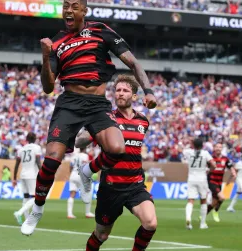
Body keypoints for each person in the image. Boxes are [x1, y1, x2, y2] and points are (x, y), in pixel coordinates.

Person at [21, 0, 157, 236]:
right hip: (70, 104)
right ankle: (37, 208)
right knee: (52, 159)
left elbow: (133, 62)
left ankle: (86, 172)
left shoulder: (100, 30)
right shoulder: (57, 42)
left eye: (74, 6)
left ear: (84, 10)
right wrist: (45, 57)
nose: (68, 10)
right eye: (65, 6)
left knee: (117, 148)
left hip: (97, 104)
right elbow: (47, 87)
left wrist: (149, 91)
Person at [74, 75, 156, 251]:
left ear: (134, 96)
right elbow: (79, 142)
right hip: (110, 187)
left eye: (125, 90)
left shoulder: (143, 121)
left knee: (150, 223)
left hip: (135, 184)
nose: (120, 93)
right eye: (118, 90)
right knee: (101, 235)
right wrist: (91, 131)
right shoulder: (107, 118)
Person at [183, 138, 216, 230]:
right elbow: (214, 165)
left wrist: (190, 142)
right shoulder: (205, 153)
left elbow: (183, 150)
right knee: (203, 200)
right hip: (202, 178)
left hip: (191, 179)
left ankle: (188, 220)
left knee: (190, 200)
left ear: (193, 145)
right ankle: (202, 224)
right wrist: (209, 171)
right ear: (202, 145)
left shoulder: (188, 152)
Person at [13, 133, 42, 225]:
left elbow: (17, 164)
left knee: (26, 197)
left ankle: (26, 220)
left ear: (26, 139)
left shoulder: (21, 149)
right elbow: (38, 162)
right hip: (32, 175)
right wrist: (43, 173)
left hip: (23, 175)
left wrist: (14, 178)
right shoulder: (37, 148)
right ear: (35, 139)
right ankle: (19, 213)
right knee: (35, 198)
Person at [206, 143, 237, 222]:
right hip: (211, 181)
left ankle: (203, 215)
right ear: (214, 148)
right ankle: (215, 212)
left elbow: (230, 167)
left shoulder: (225, 159)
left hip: (219, 182)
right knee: (222, 197)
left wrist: (233, 172)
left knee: (214, 202)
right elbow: (205, 168)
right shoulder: (210, 158)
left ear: (222, 149)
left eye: (220, 147)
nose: (218, 149)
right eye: (217, 147)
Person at [68, 145, 95, 219]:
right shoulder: (86, 156)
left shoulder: (74, 156)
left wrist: (71, 173)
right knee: (88, 193)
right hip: (81, 175)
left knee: (72, 194)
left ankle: (70, 214)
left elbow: (70, 166)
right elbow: (87, 167)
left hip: (73, 174)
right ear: (85, 148)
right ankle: (88, 212)